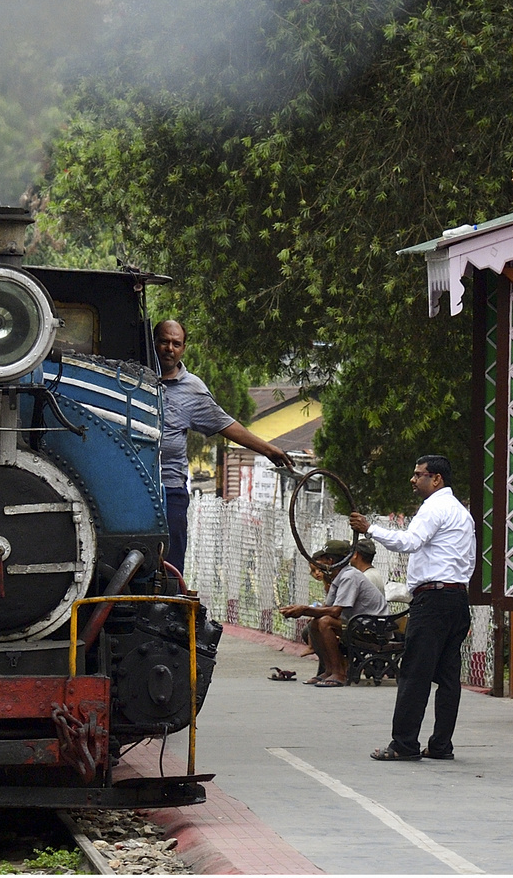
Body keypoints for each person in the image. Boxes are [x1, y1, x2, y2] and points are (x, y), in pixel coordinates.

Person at [349, 454, 476, 762]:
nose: (413, 479)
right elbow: (467, 561)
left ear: (437, 479)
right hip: (456, 598)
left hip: (432, 601)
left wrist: (371, 528)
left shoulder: (434, 508)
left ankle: (404, 743)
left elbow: (409, 542)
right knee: (447, 677)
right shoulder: (461, 513)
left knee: (415, 673)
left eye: (419, 474)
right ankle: (441, 744)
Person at [153, 319, 294, 575]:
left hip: (170, 487)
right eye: (164, 342)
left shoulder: (192, 388)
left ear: (184, 348)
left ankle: (170, 604)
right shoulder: (132, 377)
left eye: (176, 343)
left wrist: (267, 449)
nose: (169, 349)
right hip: (133, 485)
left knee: (170, 562)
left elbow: (225, 423)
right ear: (154, 343)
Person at [278, 539, 390, 686]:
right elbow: (328, 606)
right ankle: (329, 670)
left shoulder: (349, 576)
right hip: (359, 624)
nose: (318, 565)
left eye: (321, 560)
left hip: (374, 628)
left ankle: (339, 673)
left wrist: (304, 609)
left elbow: (336, 611)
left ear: (330, 561)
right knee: (315, 623)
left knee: (325, 623)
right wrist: (305, 612)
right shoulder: (338, 577)